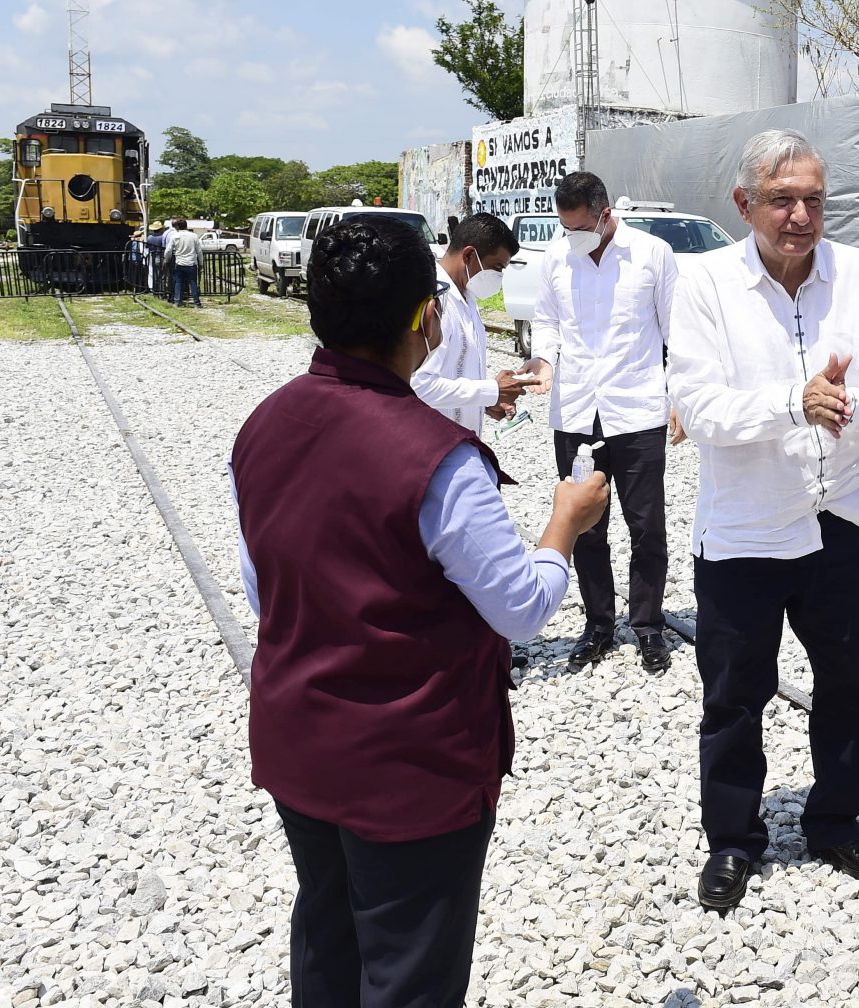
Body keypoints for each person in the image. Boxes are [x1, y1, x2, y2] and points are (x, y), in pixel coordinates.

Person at [231, 217, 611, 1005]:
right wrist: (562, 525)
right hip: (409, 768)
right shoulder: (438, 458)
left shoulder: (263, 424)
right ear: (425, 317)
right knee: (410, 970)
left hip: (298, 739)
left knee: (327, 941)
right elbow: (520, 608)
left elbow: (264, 590)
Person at [668, 129, 859, 911]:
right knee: (736, 693)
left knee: (850, 684)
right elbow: (702, 409)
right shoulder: (705, 283)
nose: (801, 215)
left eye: (813, 198)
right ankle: (734, 840)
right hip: (745, 528)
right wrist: (791, 402)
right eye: (782, 199)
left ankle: (836, 820)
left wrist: (845, 406)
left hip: (846, 516)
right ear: (745, 204)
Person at [518, 172, 682, 674]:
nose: (574, 237)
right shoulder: (555, 259)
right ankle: (598, 624)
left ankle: (649, 625)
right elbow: (545, 321)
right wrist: (544, 359)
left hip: (637, 407)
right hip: (574, 410)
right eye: (567, 229)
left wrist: (680, 395)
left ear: (605, 213)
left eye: (582, 227)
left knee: (646, 523)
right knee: (585, 524)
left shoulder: (652, 255)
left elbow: (677, 328)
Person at [412, 212, 535, 434]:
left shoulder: (467, 294)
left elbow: (456, 374)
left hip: (461, 442)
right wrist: (491, 390)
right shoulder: (433, 300)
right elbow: (418, 387)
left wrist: (485, 401)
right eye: (497, 267)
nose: (499, 276)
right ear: (469, 255)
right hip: (432, 445)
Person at [167, 219, 203, 307]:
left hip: (179, 263)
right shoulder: (194, 236)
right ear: (187, 226)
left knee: (178, 282)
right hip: (191, 263)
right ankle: (196, 303)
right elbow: (199, 251)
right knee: (193, 282)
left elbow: (168, 250)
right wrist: (201, 263)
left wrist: (166, 260)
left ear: (178, 226)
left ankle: (177, 301)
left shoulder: (175, 237)